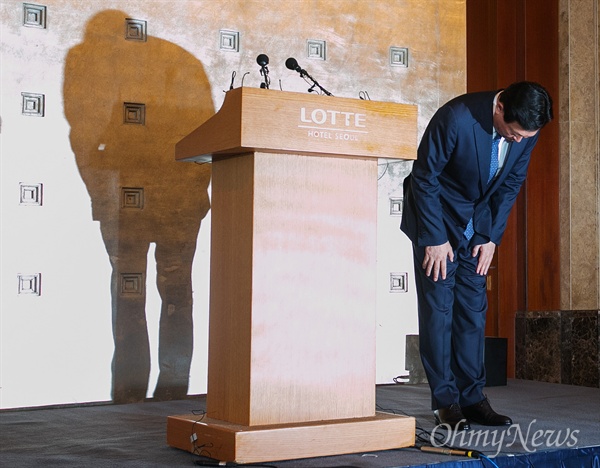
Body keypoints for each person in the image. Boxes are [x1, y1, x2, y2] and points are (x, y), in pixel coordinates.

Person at [401, 81, 553, 430]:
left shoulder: (527, 131)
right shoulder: (456, 117)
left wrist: (491, 237)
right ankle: (446, 402)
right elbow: (424, 178)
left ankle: (472, 398)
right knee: (439, 312)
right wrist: (435, 238)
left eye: (526, 136)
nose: (519, 140)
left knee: (472, 312)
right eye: (514, 133)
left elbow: (513, 182)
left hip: (477, 229)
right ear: (500, 109)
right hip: (437, 220)